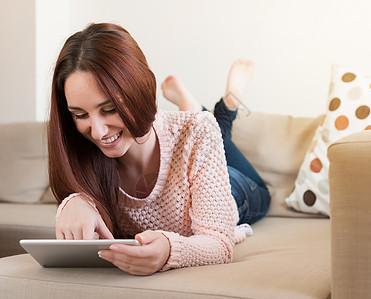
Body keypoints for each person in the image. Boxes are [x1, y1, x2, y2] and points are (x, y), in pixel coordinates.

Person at [48, 22, 270, 276]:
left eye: (109, 109)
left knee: (219, 144)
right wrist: (74, 201)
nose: (97, 132)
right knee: (200, 132)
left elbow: (219, 243)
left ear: (140, 90)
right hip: (188, 145)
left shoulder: (197, 132)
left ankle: (226, 107)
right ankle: (190, 105)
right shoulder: (80, 152)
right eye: (80, 115)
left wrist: (169, 250)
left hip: (231, 189)